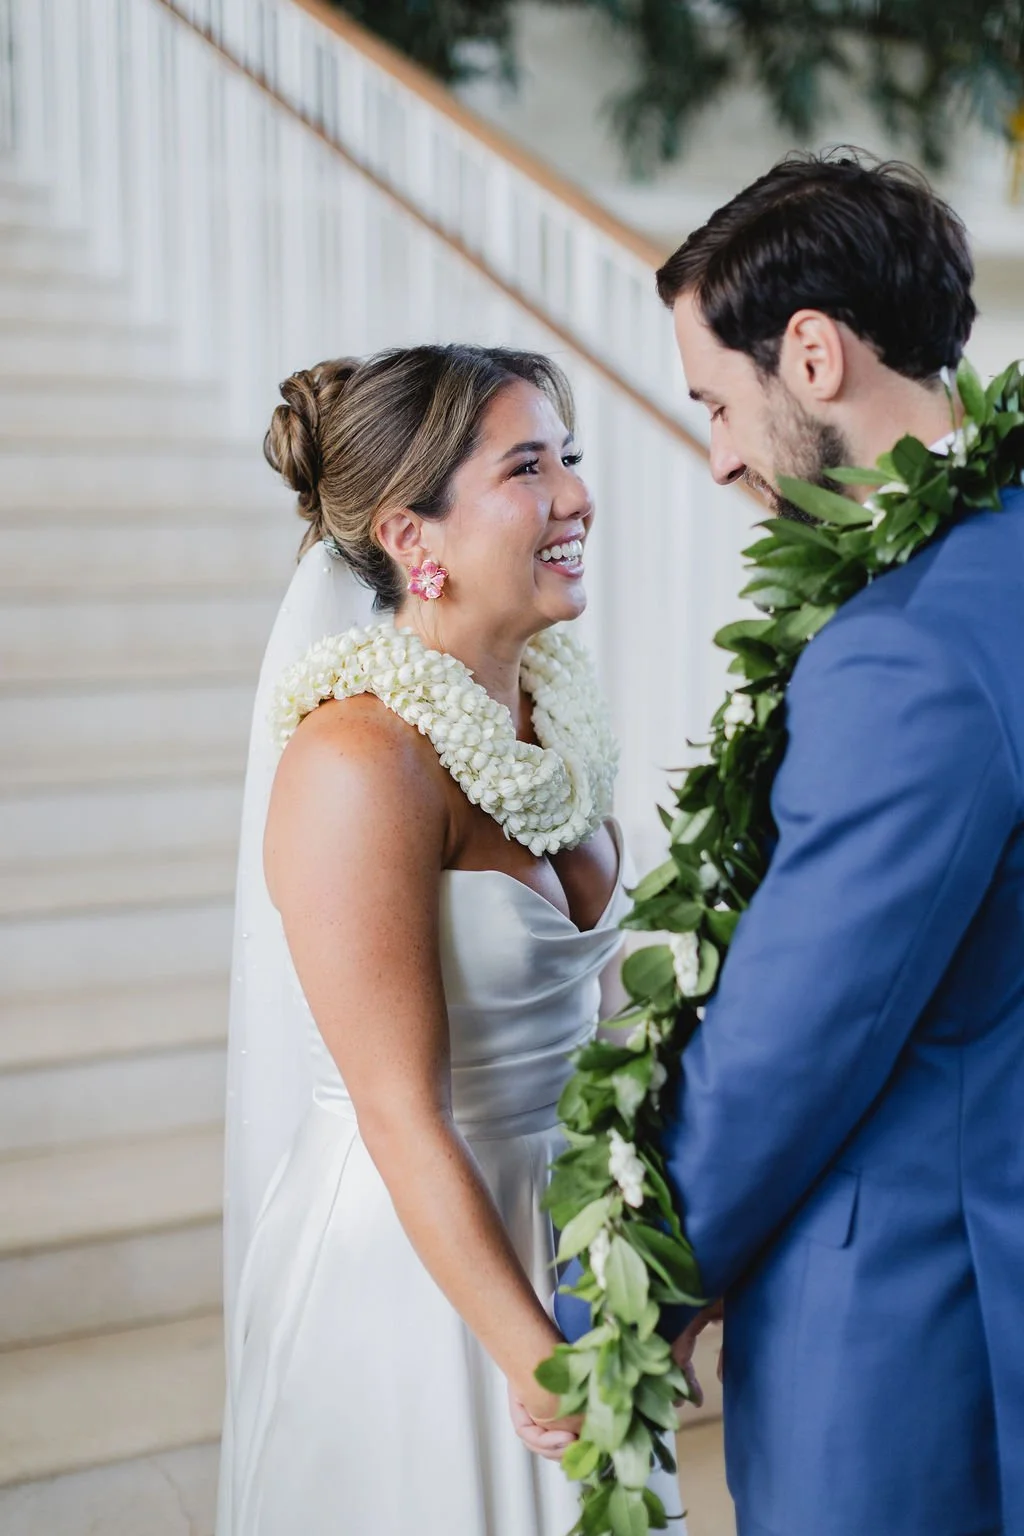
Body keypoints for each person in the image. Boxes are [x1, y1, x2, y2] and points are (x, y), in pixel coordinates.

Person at [545, 151, 1024, 1534]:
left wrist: (609, 1304)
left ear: (810, 354)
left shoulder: (910, 654)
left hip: (919, 1319)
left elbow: (792, 1038)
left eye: (715, 400)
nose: (719, 458)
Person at [215, 343, 684, 1535]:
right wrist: (534, 1358)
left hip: (576, 1235)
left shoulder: (552, 712)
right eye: (529, 467)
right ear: (413, 540)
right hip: (420, 1268)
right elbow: (398, 1112)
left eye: (568, 457)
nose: (577, 494)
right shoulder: (355, 764)